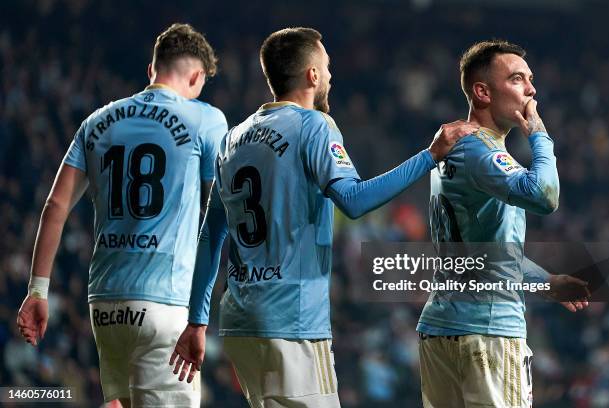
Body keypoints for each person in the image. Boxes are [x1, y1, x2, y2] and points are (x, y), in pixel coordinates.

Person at [169, 27, 477, 407]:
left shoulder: (233, 138)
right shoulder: (313, 125)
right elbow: (353, 199)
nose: (330, 75)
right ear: (312, 75)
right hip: (292, 319)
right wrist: (430, 155)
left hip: (239, 321)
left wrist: (197, 320)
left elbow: (210, 234)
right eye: (327, 66)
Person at [16, 23, 227, 407]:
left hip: (105, 306)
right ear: (196, 77)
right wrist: (200, 316)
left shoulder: (96, 122)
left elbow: (55, 206)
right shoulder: (206, 120)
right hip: (165, 305)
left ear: (151, 70)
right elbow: (214, 218)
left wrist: (37, 291)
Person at [417, 40, 590, 408]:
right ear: (482, 91)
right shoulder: (482, 151)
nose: (531, 90)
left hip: (441, 328)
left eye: (530, 79)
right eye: (517, 79)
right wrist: (540, 134)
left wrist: (544, 283)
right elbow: (545, 195)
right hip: (488, 332)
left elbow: (486, 255)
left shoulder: (455, 150)